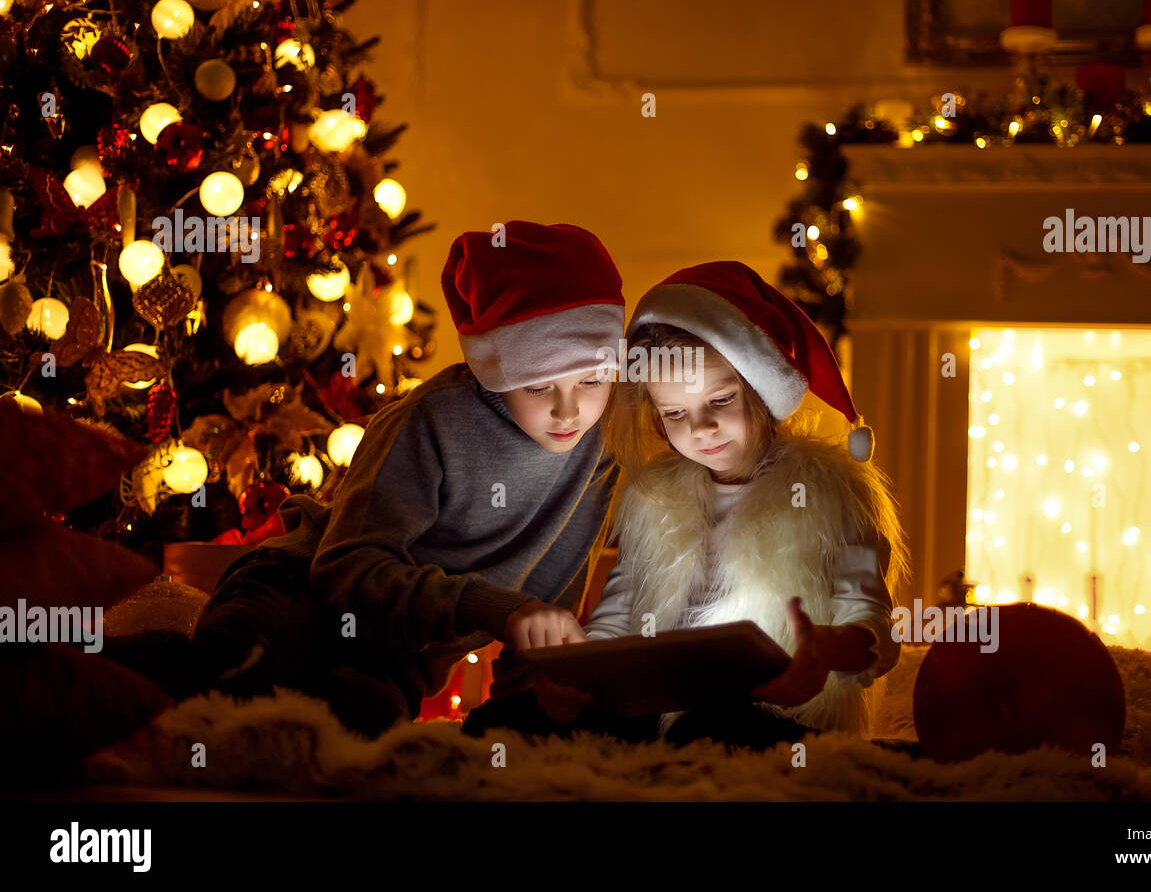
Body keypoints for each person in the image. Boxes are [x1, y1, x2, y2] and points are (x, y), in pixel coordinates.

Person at [184, 221, 628, 738]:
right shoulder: (432, 420)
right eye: (537, 386)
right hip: (297, 595)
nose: (568, 410)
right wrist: (493, 607)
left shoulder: (600, 448)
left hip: (396, 662)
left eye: (593, 380)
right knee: (222, 686)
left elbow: (548, 608)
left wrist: (536, 696)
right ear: (497, 370)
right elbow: (346, 566)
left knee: (353, 727)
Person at [582, 261, 911, 752]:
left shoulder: (832, 494)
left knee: (711, 727)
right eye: (675, 412)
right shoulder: (651, 501)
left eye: (720, 400)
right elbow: (619, 613)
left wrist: (825, 650)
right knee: (514, 718)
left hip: (775, 716)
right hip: (659, 711)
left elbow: (873, 631)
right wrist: (584, 668)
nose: (700, 428)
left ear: (760, 389)